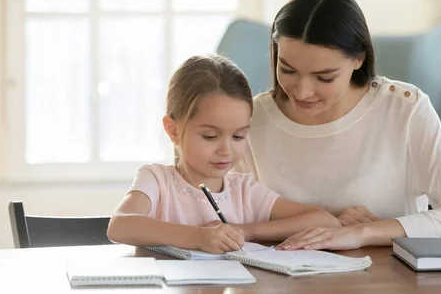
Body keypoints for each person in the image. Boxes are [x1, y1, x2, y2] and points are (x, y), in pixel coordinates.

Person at [231, 0, 441, 251]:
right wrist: (330, 225)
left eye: (324, 77)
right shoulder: (250, 121)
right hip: (275, 284)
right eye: (287, 70)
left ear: (358, 59)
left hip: (387, 285)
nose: (302, 91)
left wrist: (365, 233)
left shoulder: (405, 110)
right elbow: (219, 214)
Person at [107, 54, 340, 254]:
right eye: (210, 136)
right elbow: (120, 226)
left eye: (238, 137)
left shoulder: (243, 190)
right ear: (173, 130)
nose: (226, 150)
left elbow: (325, 220)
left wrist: (245, 230)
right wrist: (198, 237)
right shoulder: (156, 180)